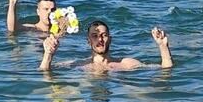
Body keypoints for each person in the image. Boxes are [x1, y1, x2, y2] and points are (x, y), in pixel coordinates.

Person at [38, 21, 173, 71]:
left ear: (110, 39)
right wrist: (48, 55)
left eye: (104, 35)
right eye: (95, 36)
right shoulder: (78, 65)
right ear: (88, 41)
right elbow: (44, 72)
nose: (100, 39)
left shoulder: (126, 64)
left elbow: (165, 69)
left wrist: (163, 46)